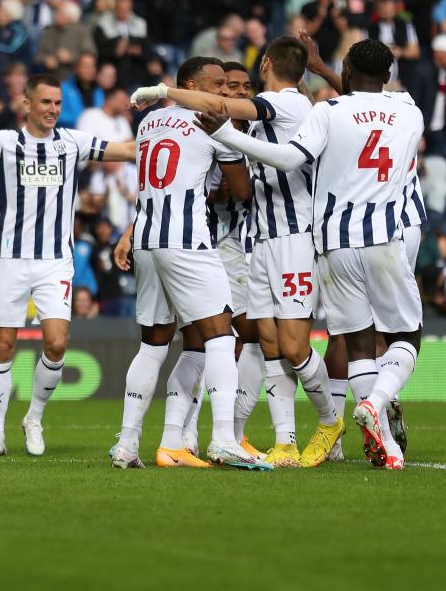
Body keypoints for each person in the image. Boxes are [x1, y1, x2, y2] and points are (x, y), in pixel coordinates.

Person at [194, 39, 424, 471]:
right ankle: (297, 438)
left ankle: (333, 420)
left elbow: (289, 157)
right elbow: (367, 98)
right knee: (274, 341)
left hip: (310, 235)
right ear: (387, 75)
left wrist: (173, 98)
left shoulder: (312, 108)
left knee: (311, 344)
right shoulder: (409, 110)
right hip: (285, 235)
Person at [132, 36, 345, 468]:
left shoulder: (282, 104)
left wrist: (165, 91)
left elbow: (235, 127)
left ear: (265, 65)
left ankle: (329, 421)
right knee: (265, 341)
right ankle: (283, 441)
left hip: (293, 236)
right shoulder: (273, 111)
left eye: (241, 85)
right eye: (228, 86)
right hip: (259, 239)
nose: (234, 93)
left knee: (292, 346)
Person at [0, 74, 139, 459]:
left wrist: (173, 127)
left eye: (57, 103)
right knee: (3, 345)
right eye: (45, 102)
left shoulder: (73, 142)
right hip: (11, 261)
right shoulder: (5, 143)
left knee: (56, 343)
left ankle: (33, 418)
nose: (53, 109)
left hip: (55, 262)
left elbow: (126, 150)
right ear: (27, 104)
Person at [111, 56, 265, 471]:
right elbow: (242, 190)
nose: (223, 92)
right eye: (216, 84)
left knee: (153, 345)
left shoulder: (148, 123)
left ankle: (127, 444)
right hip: (187, 240)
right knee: (220, 335)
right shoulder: (210, 121)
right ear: (191, 86)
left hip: (146, 239)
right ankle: (224, 440)